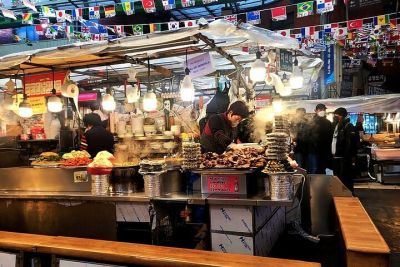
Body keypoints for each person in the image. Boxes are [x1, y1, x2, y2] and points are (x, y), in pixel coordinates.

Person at [331, 107, 359, 193]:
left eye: (336, 115)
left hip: (344, 158)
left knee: (346, 177)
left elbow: (351, 143)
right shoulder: (337, 125)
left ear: (342, 116)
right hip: (336, 157)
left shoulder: (348, 126)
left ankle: (349, 194)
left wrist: (348, 157)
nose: (335, 117)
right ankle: (340, 193)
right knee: (338, 177)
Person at [309, 103, 333, 174]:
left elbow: (330, 137)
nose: (322, 111)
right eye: (320, 109)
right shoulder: (311, 122)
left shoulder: (328, 123)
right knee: (314, 169)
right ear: (315, 111)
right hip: (313, 150)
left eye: (324, 110)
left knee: (322, 169)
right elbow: (308, 135)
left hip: (324, 150)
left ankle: (322, 184)